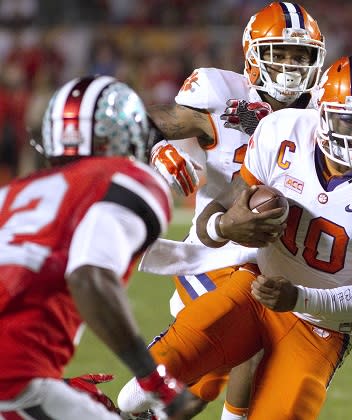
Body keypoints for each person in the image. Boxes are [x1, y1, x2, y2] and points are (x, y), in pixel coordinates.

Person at [117, 55, 352, 419]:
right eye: (347, 120)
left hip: (321, 325)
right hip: (254, 288)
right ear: (321, 113)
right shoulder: (281, 131)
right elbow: (219, 214)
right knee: (135, 394)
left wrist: (299, 297)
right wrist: (225, 227)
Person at [139, 2, 326, 419]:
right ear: (254, 53)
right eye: (280, 52)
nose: (292, 65)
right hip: (216, 251)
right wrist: (151, 150)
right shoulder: (220, 93)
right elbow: (165, 122)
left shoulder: (323, 110)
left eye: (302, 55)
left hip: (281, 254)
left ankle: (151, 395)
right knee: (238, 348)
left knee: (199, 389)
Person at [0, 75, 204, 419]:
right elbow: (89, 275)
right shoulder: (125, 179)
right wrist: (157, 383)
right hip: (14, 380)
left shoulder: (13, 194)